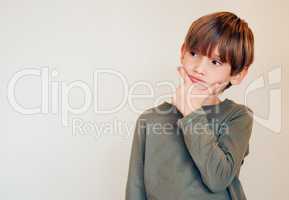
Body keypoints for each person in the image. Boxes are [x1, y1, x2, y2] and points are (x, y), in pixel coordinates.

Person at [125, 11, 254, 200]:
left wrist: (192, 113)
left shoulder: (237, 117)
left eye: (215, 62)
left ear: (237, 74)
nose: (199, 69)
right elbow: (135, 189)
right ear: (182, 52)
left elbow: (218, 178)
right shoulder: (149, 120)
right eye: (194, 53)